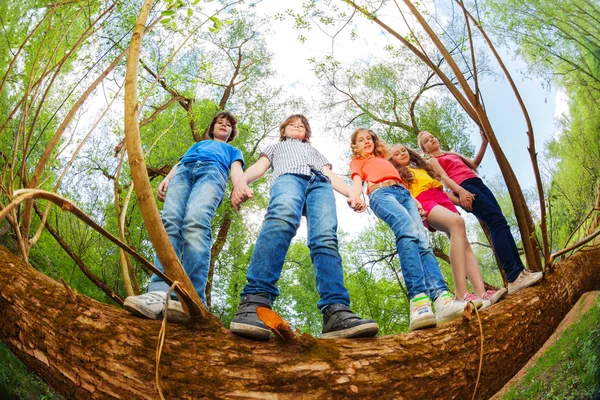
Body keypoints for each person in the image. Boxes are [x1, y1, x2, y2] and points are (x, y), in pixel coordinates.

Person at [229, 114, 379, 340]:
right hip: (289, 178)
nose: (297, 127)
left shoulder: (315, 151)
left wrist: (352, 194)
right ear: (284, 130)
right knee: (281, 220)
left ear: (306, 133)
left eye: (301, 126)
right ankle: (255, 301)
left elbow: (330, 174)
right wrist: (240, 182)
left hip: (320, 185)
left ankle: (336, 311)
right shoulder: (275, 148)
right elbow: (258, 168)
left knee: (326, 238)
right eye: (292, 124)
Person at [348, 128, 479, 331]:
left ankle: (442, 300)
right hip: (382, 195)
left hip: (405, 194)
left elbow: (406, 179)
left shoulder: (384, 159)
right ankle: (419, 301)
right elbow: (357, 182)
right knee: (407, 231)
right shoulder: (359, 162)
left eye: (369, 138)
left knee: (424, 243)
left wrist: (416, 203)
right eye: (361, 140)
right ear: (355, 146)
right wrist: (355, 197)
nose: (367, 142)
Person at [124, 111, 244, 322]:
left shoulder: (232, 150)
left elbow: (236, 170)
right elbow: (180, 164)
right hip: (183, 174)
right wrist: (167, 179)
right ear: (212, 127)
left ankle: (192, 298)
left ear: (232, 132)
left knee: (195, 222)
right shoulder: (197, 145)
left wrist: (239, 186)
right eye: (219, 122)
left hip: (212, 173)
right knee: (170, 223)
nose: (223, 125)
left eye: (228, 125)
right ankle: (159, 291)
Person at [417, 130, 543, 294]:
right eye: (427, 140)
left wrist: (484, 143)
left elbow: (474, 164)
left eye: (432, 136)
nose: (431, 139)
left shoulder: (451, 154)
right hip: (465, 189)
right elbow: (441, 186)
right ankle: (513, 276)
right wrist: (461, 194)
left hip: (477, 183)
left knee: (501, 221)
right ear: (425, 150)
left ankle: (521, 271)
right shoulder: (432, 161)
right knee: (494, 222)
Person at [389, 144, 507, 308]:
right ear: (392, 159)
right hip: (423, 201)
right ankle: (461, 293)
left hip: (441, 199)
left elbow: (441, 192)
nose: (402, 153)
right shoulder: (396, 174)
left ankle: (482, 294)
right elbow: (402, 195)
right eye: (396, 153)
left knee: (464, 243)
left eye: (403, 150)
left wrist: (460, 201)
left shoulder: (422, 169)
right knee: (457, 223)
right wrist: (415, 209)